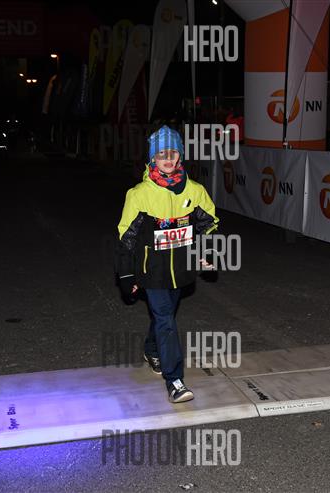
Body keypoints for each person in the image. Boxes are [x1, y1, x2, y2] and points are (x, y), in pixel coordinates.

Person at [114, 125, 219, 404]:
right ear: (152, 159)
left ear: (180, 156)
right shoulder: (139, 194)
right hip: (151, 271)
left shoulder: (195, 191)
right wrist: (125, 274)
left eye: (173, 153)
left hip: (181, 269)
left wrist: (209, 252)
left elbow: (209, 225)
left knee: (165, 316)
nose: (168, 159)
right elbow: (126, 237)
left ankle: (152, 350)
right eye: (161, 155)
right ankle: (175, 380)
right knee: (165, 319)